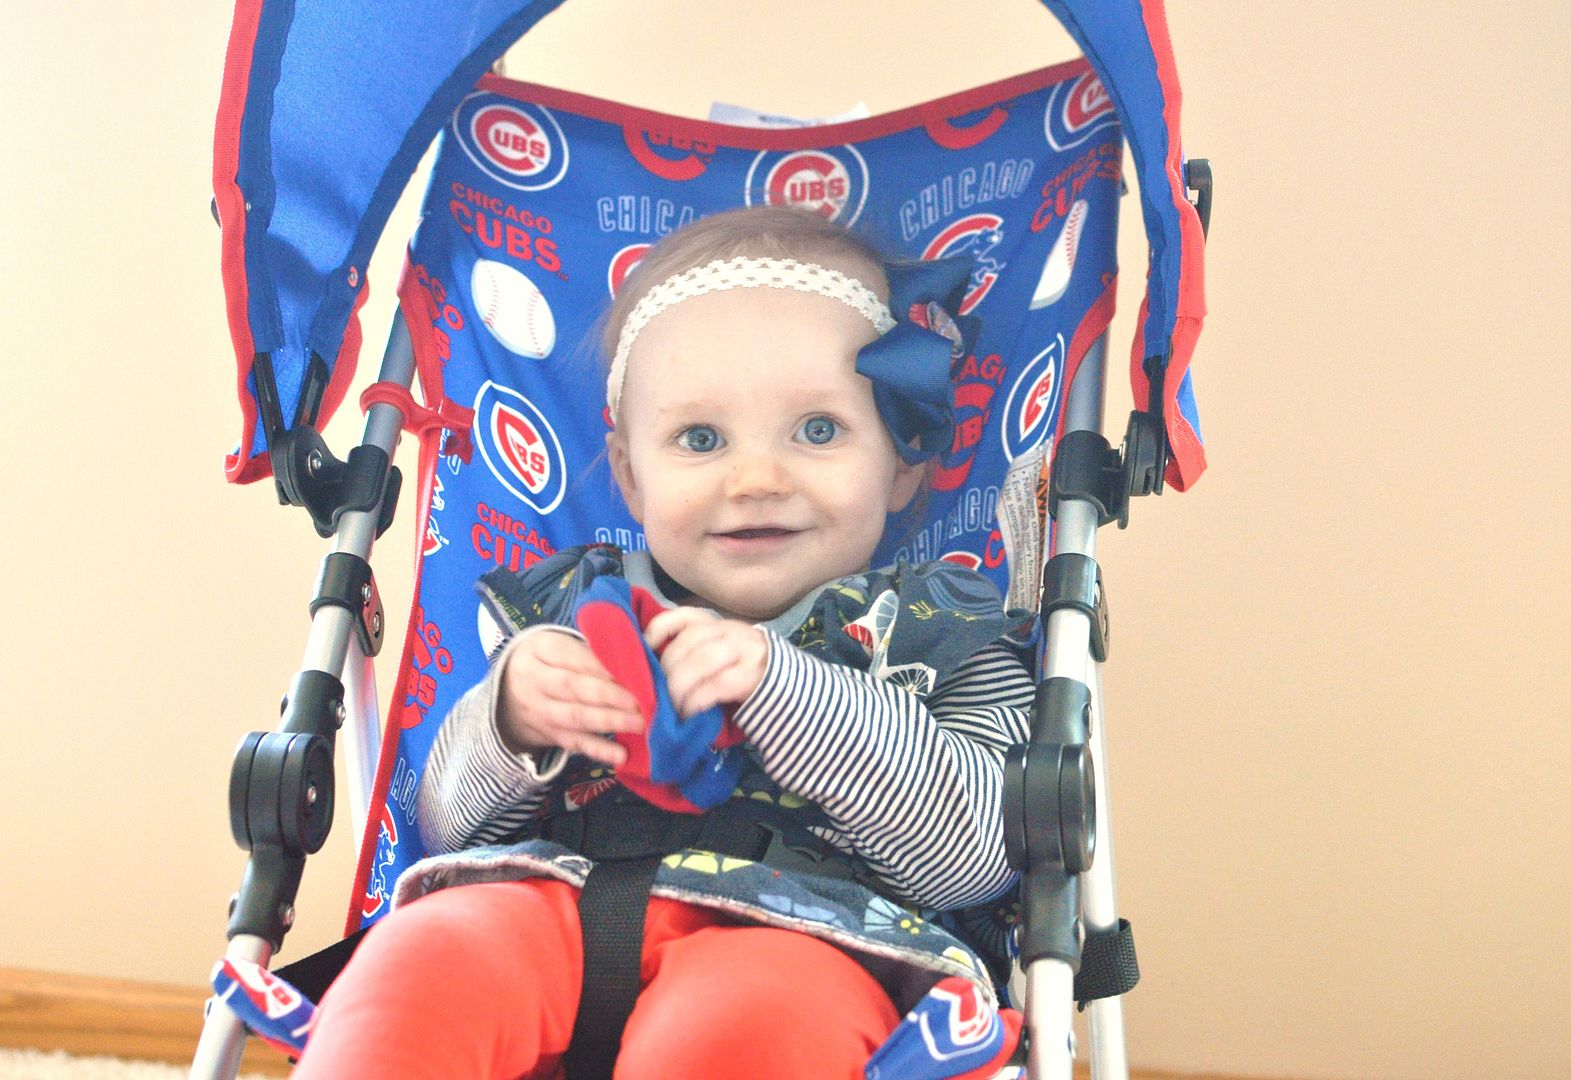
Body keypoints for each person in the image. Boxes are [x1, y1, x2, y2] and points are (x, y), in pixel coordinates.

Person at [293, 206, 1034, 1080]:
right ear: (630, 475)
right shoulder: (568, 608)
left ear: (904, 462)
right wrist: (511, 721)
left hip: (814, 941)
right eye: (700, 438)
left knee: (753, 1024)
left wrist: (785, 692)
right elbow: (443, 828)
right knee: (421, 958)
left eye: (818, 430)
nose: (756, 478)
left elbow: (985, 854)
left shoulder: (944, 627)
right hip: (549, 907)